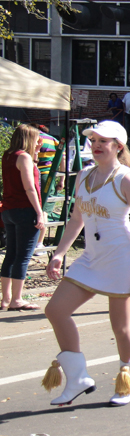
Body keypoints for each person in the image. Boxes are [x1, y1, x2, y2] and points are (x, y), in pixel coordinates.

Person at [41, 121, 130, 407]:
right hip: (91, 257)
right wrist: (58, 253)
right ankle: (77, 378)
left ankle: (127, 380)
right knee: (55, 310)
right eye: (94, 140)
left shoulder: (125, 178)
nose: (97, 145)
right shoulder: (83, 176)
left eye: (105, 141)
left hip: (122, 257)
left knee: (120, 326)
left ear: (118, 146)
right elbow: (77, 219)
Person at [1, 124, 45, 311]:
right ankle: (17, 299)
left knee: (10, 254)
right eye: (36, 140)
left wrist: (34, 154)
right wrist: (38, 211)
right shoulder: (24, 157)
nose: (38, 143)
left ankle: (6, 298)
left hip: (9, 209)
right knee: (23, 256)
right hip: (24, 209)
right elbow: (29, 187)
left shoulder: (8, 155)